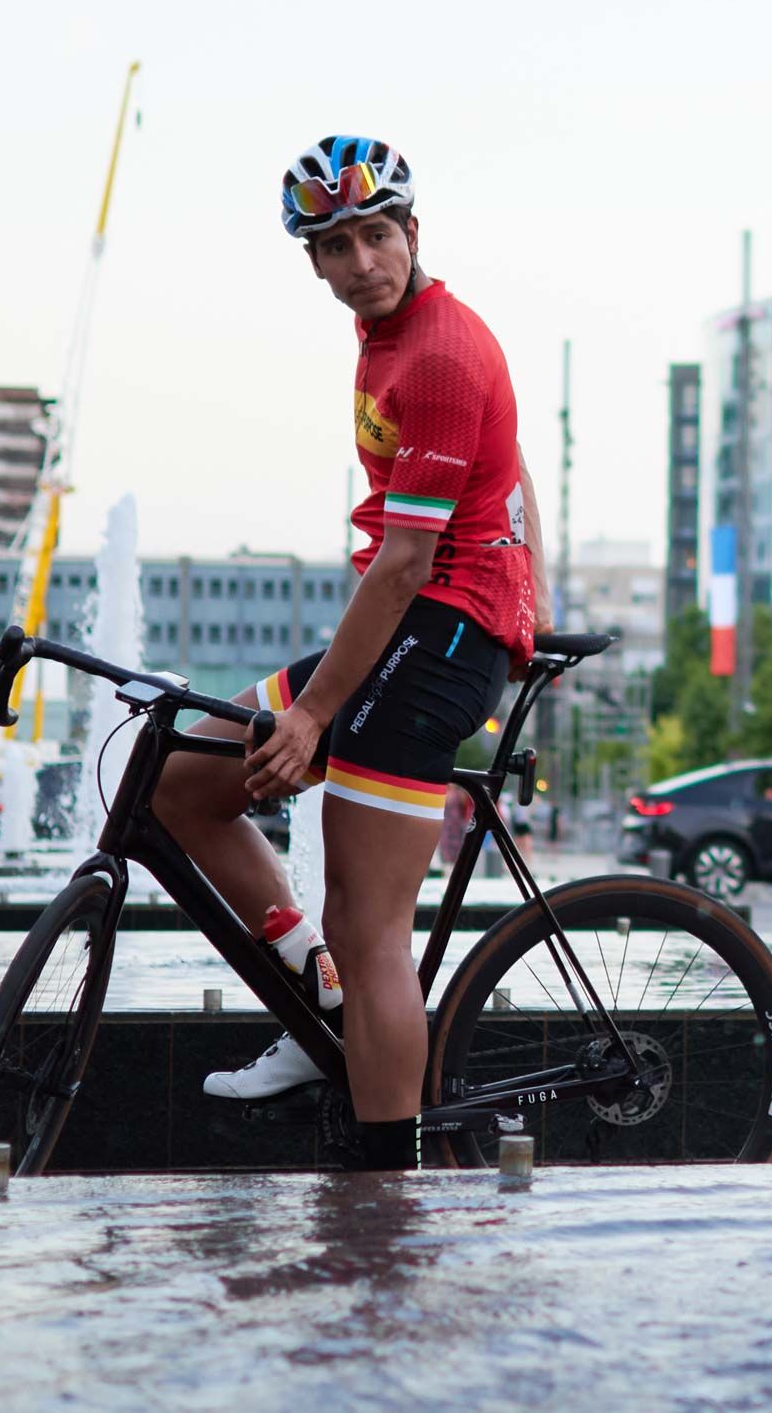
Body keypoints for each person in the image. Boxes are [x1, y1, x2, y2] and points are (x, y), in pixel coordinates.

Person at [153, 137, 548, 1171]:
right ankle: (311, 988)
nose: (362, 260)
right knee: (182, 780)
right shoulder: (388, 332)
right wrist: (533, 595)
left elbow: (407, 560)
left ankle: (386, 1193)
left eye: (377, 234)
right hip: (415, 625)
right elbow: (510, 470)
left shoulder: (440, 354)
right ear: (314, 262)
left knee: (372, 929)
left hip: (441, 635)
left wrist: (313, 715)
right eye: (337, 246)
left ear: (413, 232)